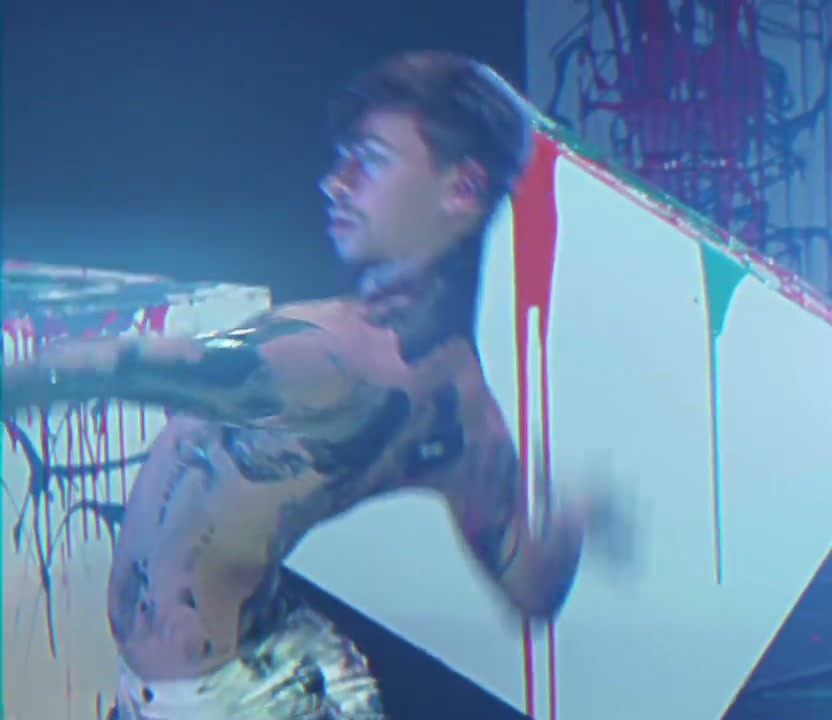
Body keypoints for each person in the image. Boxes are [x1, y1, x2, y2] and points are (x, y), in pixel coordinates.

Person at [2, 50, 623, 720]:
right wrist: (575, 519)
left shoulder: (329, 354)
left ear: (461, 190)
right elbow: (534, 590)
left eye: (371, 159)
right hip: (255, 674)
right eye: (343, 157)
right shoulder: (465, 412)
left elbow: (113, 366)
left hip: (240, 700)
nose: (335, 183)